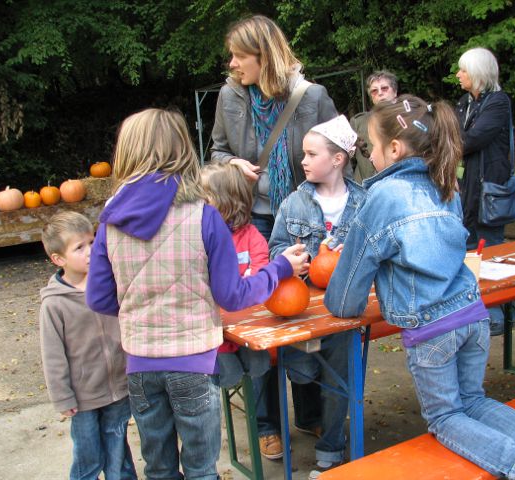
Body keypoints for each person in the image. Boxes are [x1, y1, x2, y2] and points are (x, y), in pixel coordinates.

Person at [324, 95, 515, 480]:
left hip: (432, 331)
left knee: (445, 417)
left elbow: (344, 300)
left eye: (370, 148)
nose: (370, 157)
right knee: (474, 402)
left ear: (393, 148)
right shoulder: (445, 182)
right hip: (473, 316)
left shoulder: (382, 196)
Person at [85, 108, 309, 480]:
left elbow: (99, 299)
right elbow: (233, 296)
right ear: (182, 150)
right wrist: (280, 268)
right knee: (202, 469)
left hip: (140, 362)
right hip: (193, 361)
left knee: (158, 468)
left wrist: (139, 307)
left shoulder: (110, 220)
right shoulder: (204, 216)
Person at [210, 14, 336, 459]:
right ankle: (267, 424)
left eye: (239, 55)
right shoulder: (229, 96)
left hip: (302, 218)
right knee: (258, 322)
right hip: (253, 220)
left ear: (263, 56)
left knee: (301, 318)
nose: (232, 63)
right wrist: (231, 166)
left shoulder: (312, 96)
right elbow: (218, 151)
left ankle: (309, 411)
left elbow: (340, 150)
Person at [269, 115, 366, 478]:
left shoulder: (363, 201)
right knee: (303, 372)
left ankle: (331, 451)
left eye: (311, 154)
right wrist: (296, 259)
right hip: (300, 305)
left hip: (344, 306)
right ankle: (312, 421)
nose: (303, 161)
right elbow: (276, 246)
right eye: (303, 155)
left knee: (339, 375)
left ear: (338, 159)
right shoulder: (295, 202)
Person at [39, 211, 137, 480]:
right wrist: (62, 396)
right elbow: (53, 355)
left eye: (92, 242)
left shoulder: (110, 283)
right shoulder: (55, 303)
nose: (90, 251)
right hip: (82, 397)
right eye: (79, 247)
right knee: (89, 455)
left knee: (118, 450)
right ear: (58, 259)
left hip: (118, 386)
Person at [455, 47, 512, 335]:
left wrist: (449, 143)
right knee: (467, 256)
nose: (458, 75)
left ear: (477, 73)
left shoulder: (498, 103)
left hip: (489, 196)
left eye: (463, 70)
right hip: (466, 195)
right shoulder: (464, 103)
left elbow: (472, 139)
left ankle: (495, 317)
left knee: (489, 255)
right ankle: (471, 314)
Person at [201, 162, 271, 389]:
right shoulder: (199, 237)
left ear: (227, 202)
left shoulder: (251, 236)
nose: (197, 206)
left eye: (205, 199)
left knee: (261, 365)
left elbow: (260, 273)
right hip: (215, 329)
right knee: (229, 375)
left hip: (247, 322)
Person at [349, 70, 399, 183]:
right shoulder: (358, 122)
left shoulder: (407, 120)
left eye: (384, 88)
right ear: (371, 97)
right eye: (374, 91)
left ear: (395, 91)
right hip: (365, 190)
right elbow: (348, 162)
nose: (380, 93)